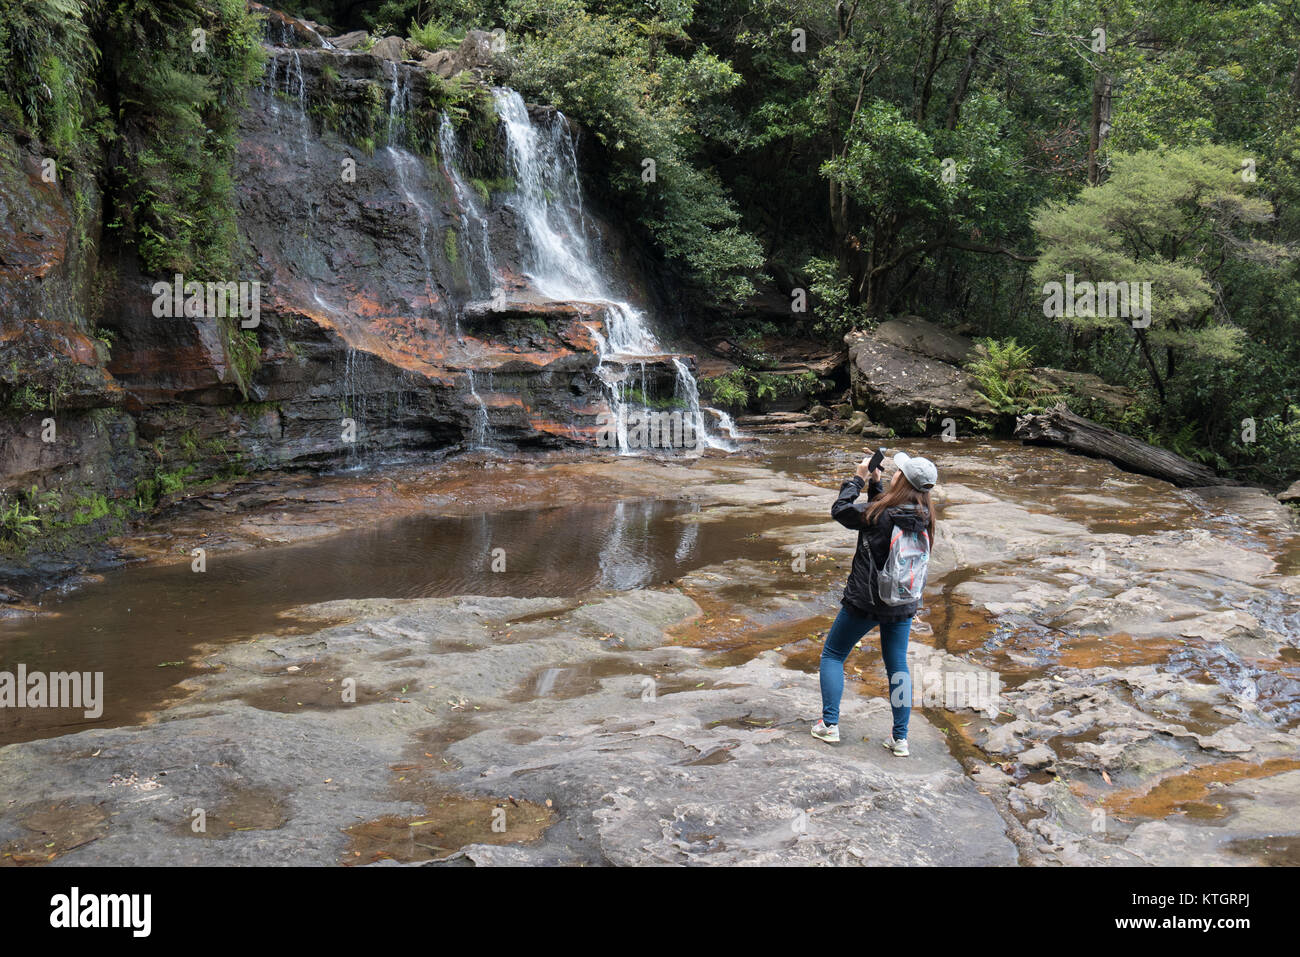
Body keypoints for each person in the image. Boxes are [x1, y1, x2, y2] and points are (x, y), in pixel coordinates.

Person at [812, 451, 938, 755]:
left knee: (833, 654)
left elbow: (841, 510)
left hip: (866, 601)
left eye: (899, 471)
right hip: (902, 601)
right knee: (897, 666)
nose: (894, 472)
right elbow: (886, 515)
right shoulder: (926, 516)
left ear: (903, 481)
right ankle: (900, 739)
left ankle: (829, 725)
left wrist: (858, 478)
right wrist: (876, 487)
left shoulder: (878, 513)